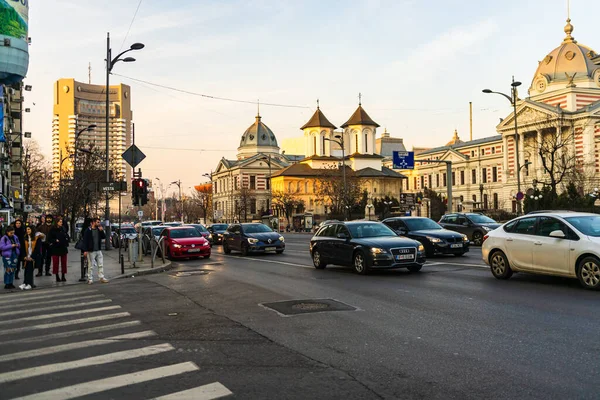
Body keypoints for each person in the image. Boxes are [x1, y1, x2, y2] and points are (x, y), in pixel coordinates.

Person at [82, 217, 108, 284]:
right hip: (91, 250)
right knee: (91, 265)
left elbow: (104, 237)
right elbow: (85, 241)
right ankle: (90, 278)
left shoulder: (99, 229)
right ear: (93, 222)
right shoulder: (88, 230)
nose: (99, 224)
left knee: (100, 264)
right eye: (97, 222)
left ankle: (101, 277)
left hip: (98, 250)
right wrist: (85, 250)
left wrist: (102, 230)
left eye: (99, 222)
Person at [20, 225, 44, 290]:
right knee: (26, 270)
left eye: (29, 229)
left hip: (33, 257)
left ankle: (30, 283)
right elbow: (23, 248)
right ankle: (25, 282)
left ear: (32, 230)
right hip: (26, 257)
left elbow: (37, 249)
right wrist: (24, 256)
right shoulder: (25, 238)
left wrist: (32, 256)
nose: (27, 231)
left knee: (30, 270)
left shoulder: (37, 239)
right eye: (27, 229)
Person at [48, 218, 69, 282]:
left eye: (61, 222)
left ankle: (63, 276)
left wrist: (66, 240)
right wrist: (55, 240)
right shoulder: (52, 229)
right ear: (57, 222)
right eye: (60, 222)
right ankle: (57, 276)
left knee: (64, 263)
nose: (61, 223)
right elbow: (49, 239)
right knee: (55, 263)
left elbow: (66, 236)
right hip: (55, 248)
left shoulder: (63, 228)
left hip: (63, 247)